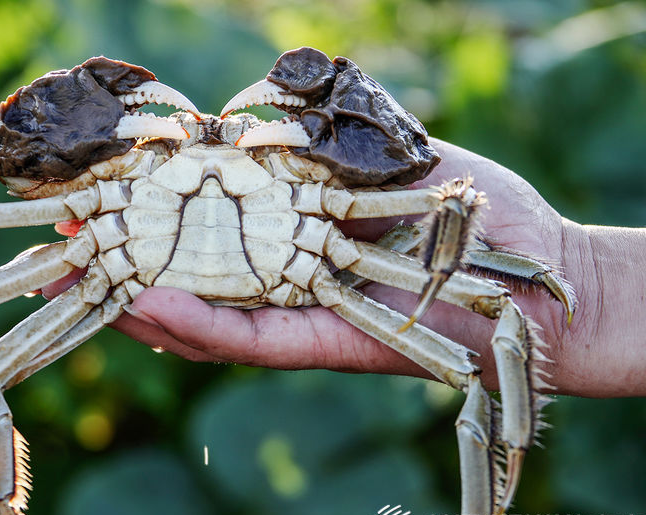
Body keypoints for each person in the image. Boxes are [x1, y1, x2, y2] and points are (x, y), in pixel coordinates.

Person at [107, 139, 646, 398]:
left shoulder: (316, 191)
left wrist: (584, 277)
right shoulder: (112, 196)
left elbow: (442, 203)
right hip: (313, 283)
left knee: (489, 328)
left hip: (330, 282)